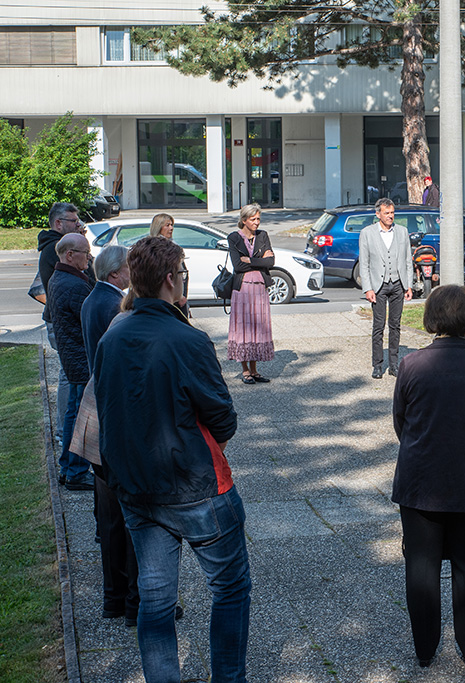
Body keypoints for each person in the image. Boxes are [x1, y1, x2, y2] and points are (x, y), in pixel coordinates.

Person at [94, 236, 249, 682]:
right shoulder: (187, 338)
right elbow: (222, 416)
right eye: (182, 274)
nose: (183, 281)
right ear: (169, 280)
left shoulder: (113, 335)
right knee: (230, 587)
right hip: (193, 487)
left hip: (136, 487)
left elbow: (109, 411)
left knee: (155, 597)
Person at [392, 285, 465, 670]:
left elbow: (401, 423)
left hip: (421, 481)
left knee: (421, 566)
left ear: (432, 318)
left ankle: (425, 648)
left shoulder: (411, 365)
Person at [81, 245, 140, 624]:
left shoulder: (95, 298)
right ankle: (132, 601)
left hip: (96, 420)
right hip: (110, 423)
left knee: (111, 522)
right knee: (126, 521)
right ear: (119, 272)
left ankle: (114, 599)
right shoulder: (114, 309)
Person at [49, 232, 95, 490]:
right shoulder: (73, 284)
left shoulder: (61, 278)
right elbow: (90, 318)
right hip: (80, 359)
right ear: (69, 255)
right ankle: (75, 471)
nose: (89, 256)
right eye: (85, 252)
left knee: (73, 415)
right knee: (81, 419)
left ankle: (69, 467)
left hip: (73, 358)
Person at [38, 201, 86, 441]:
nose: (78, 225)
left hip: (58, 318)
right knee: (69, 375)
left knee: (69, 374)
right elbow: (83, 281)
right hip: (61, 320)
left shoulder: (52, 247)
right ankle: (64, 431)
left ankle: (65, 430)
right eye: (73, 221)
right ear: (59, 223)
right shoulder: (53, 249)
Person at [359, 198, 413, 379]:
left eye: (392, 213)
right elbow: (364, 263)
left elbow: (407, 261)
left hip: (398, 284)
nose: (390, 216)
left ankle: (394, 364)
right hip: (378, 285)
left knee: (395, 325)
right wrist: (368, 288)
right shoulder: (367, 233)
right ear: (378, 214)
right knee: (378, 326)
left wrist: (408, 285)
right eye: (387, 213)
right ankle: (377, 364)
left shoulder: (402, 232)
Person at [227, 203, 275, 384]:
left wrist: (251, 260)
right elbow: (237, 266)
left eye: (258, 219)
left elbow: (270, 262)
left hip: (260, 287)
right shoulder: (234, 238)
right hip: (242, 289)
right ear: (244, 220)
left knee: (258, 327)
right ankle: (245, 370)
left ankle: (255, 370)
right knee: (244, 328)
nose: (257, 222)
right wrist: (259, 260)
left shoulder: (262, 236)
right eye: (253, 219)